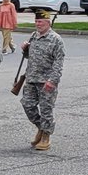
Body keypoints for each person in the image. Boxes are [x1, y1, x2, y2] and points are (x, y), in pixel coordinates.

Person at [20, 9, 65, 151]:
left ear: (48, 22)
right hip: (31, 78)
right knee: (27, 105)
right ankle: (41, 127)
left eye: (40, 22)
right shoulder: (34, 36)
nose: (38, 24)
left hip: (46, 81)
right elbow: (30, 57)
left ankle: (46, 135)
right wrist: (25, 49)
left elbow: (58, 63)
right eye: (36, 21)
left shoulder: (56, 39)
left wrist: (53, 81)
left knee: (46, 109)